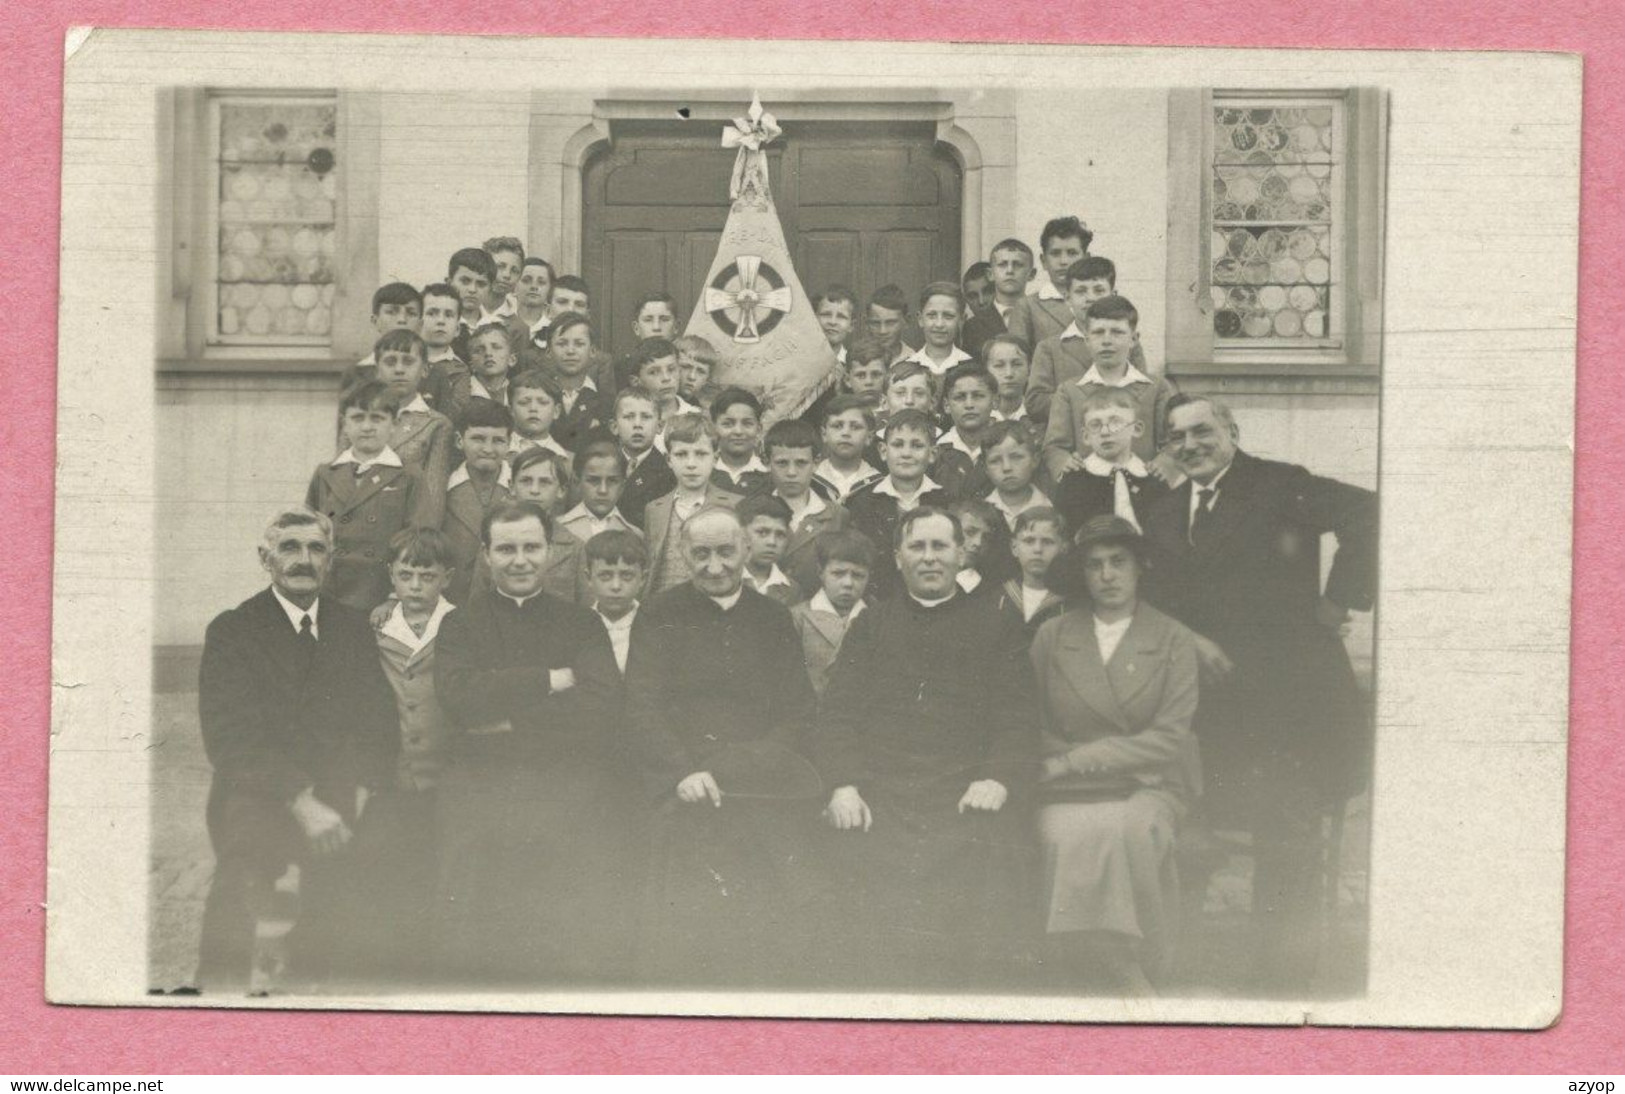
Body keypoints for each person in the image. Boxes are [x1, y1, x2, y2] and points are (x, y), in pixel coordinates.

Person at [1139, 395, 1376, 992]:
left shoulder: (1278, 486)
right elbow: (1157, 600)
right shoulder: (1165, 512)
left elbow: (1369, 514)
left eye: (1202, 431)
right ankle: (1182, 971)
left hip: (1291, 708)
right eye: (1176, 437)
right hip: (1212, 713)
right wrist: (1189, 638)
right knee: (1183, 826)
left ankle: (1281, 985)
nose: (1189, 445)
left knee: (1286, 833)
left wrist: (1337, 601)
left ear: (1232, 431)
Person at [815, 507, 1039, 988]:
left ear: (962, 554)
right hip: (884, 789)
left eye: (941, 547)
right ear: (898, 558)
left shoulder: (998, 622)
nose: (930, 558)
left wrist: (997, 777)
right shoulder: (873, 624)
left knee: (996, 850)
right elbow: (839, 714)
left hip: (965, 786)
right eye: (917, 547)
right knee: (849, 850)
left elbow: (1019, 716)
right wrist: (844, 785)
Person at [196, 507, 398, 992]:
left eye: (315, 548)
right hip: (261, 790)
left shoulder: (351, 628)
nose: (303, 559)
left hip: (338, 787)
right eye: (289, 548)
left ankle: (316, 995)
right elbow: (231, 739)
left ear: (330, 560)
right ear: (265, 559)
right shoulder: (233, 629)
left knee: (362, 887)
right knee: (239, 876)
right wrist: (300, 801)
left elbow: (376, 719)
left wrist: (364, 787)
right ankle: (212, 1001)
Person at [432, 500, 634, 983]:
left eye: (530, 547)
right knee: (472, 901)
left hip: (563, 780)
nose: (519, 560)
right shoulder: (460, 623)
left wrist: (508, 723)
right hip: (483, 783)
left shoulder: (581, 623)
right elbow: (460, 699)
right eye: (506, 549)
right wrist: (549, 678)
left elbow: (600, 707)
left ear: (549, 552)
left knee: (566, 901)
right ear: (485, 554)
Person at [624, 506, 821, 986]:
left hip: (761, 785)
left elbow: (798, 710)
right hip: (686, 785)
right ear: (684, 556)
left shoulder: (773, 618)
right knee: (682, 929)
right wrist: (681, 773)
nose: (715, 566)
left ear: (747, 551)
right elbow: (642, 706)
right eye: (701, 554)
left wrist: (754, 762)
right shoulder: (659, 613)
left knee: (788, 913)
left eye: (726, 552)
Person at [1029, 514, 1202, 994]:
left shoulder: (1172, 638)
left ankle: (1141, 961)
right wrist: (1064, 763)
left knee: (1131, 830)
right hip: (1067, 786)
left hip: (1153, 782)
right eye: (1095, 565)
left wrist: (1080, 757)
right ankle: (1099, 961)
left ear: (1139, 568)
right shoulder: (1052, 636)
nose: (1107, 575)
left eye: (1118, 562)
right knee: (1062, 833)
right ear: (1081, 575)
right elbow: (1032, 722)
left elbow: (1170, 735)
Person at [363, 526, 460, 976]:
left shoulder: (461, 623)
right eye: (406, 576)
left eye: (427, 576)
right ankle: (395, 960)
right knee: (394, 865)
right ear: (392, 576)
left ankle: (439, 962)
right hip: (397, 774)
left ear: (447, 578)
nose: (416, 587)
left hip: (448, 773)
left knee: (444, 866)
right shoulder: (377, 625)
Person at [306, 381, 433, 613]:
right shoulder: (326, 473)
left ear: (394, 424)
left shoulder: (408, 475)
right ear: (344, 424)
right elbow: (309, 534)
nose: (367, 427)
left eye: (377, 418)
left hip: (378, 594)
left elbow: (417, 541)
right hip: (329, 589)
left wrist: (394, 598)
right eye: (358, 418)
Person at [1039, 294, 1176, 480]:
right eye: (1098, 332)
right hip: (1089, 487)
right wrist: (1064, 462)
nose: (1106, 340)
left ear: (1134, 339)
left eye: (1117, 332)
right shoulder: (1069, 391)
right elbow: (1055, 446)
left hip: (1145, 487)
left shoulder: (1157, 388)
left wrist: (1165, 463)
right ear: (1087, 340)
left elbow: (1173, 441)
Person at [1027, 261, 1156, 428]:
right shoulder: (1049, 348)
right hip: (1069, 433)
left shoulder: (1128, 344)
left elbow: (1141, 393)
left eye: (1099, 290)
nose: (1090, 298)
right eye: (1081, 291)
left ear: (1113, 294)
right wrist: (1088, 402)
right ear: (1068, 298)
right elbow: (1035, 403)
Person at [845, 408, 953, 600]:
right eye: (898, 444)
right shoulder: (862, 502)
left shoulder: (946, 501)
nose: (906, 453)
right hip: (877, 601)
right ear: (883, 451)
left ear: (932, 453)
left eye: (917, 445)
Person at [642, 414, 741, 596]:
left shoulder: (735, 506)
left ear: (716, 458)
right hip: (665, 610)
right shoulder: (654, 509)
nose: (691, 464)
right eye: (681, 454)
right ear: (668, 460)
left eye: (701, 454)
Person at [1050, 388, 1172, 534]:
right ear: (1086, 436)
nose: (1105, 432)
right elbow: (1064, 533)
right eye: (1095, 425)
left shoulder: (1151, 478)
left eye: (1115, 423)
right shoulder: (1074, 480)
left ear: (1137, 429)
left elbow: (1165, 531)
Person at [371, 329, 454, 527]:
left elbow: (432, 497)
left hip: (404, 533)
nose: (399, 369)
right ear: (377, 370)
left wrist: (419, 545)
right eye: (390, 362)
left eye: (408, 362)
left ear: (424, 370)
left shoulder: (436, 425)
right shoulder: (360, 419)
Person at [761, 418, 852, 592]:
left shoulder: (837, 516)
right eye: (782, 463)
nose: (791, 472)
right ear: (767, 462)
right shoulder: (753, 513)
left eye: (801, 463)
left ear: (816, 463)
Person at [439, 401, 513, 605]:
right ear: (459, 440)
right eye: (478, 439)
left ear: (509, 443)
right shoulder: (443, 486)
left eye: (498, 440)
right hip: (453, 600)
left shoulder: (519, 486)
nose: (488, 449)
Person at [787, 528, 874, 697]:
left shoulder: (876, 619)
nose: (848, 583)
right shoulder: (797, 618)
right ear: (821, 572)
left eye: (858, 575)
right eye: (838, 573)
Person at [1007, 215, 1092, 352]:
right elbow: (1017, 360)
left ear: (1086, 258)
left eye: (1072, 253)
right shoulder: (1027, 307)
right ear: (1043, 261)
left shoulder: (1101, 301)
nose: (1063, 261)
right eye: (1055, 253)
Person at [995, 506, 1069, 639]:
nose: (1038, 549)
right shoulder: (997, 599)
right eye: (1029, 541)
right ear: (1014, 547)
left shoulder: (1072, 604)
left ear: (1063, 548)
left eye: (1047, 541)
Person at [541, 312, 610, 452]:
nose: (570, 351)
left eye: (579, 344)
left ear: (592, 351)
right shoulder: (539, 396)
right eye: (562, 343)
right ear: (548, 352)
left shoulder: (604, 402)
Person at [583, 528, 648, 675]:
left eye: (627, 576)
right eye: (605, 576)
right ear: (588, 578)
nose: (616, 586)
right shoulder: (577, 626)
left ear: (642, 579)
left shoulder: (655, 626)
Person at [609, 387, 674, 529]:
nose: (637, 424)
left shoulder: (667, 473)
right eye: (629, 417)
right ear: (614, 426)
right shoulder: (603, 464)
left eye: (646, 417)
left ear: (659, 426)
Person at [961, 240, 1036, 358]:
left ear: (1032, 274)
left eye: (1017, 265)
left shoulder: (1043, 316)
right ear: (990, 274)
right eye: (1002, 265)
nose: (1010, 271)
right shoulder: (973, 327)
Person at [934, 363, 997, 501]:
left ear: (994, 401)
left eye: (978, 396)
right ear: (946, 405)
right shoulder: (935, 453)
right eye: (960, 397)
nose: (969, 405)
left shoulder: (1007, 445)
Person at [557, 440, 642, 541]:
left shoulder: (635, 535)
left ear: (622, 486)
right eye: (593, 480)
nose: (603, 490)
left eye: (612, 481)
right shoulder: (558, 527)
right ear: (577, 482)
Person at [813, 394, 883, 503]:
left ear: (869, 437)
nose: (846, 433)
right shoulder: (810, 481)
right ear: (824, 434)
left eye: (856, 427)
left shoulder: (879, 485)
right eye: (837, 426)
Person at [984, 419, 1051, 530]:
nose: (1007, 468)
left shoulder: (1048, 508)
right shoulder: (982, 514)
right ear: (986, 469)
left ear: (1035, 460)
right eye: (995, 460)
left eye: (1016, 457)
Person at [737, 492, 802, 606]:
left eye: (780, 534)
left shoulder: (792, 590)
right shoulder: (723, 578)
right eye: (762, 532)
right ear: (741, 532)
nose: (772, 542)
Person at [902, 282, 974, 376]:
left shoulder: (971, 368)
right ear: (920, 319)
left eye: (948, 316)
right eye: (932, 315)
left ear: (961, 320)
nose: (939, 324)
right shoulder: (907, 368)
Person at [708, 387, 770, 494]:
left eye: (747, 423)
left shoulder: (770, 476)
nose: (738, 431)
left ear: (759, 430)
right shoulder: (701, 472)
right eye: (728, 424)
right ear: (713, 428)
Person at [614, 293, 681, 390]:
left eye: (664, 319)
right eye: (648, 320)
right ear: (636, 328)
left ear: (676, 326)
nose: (656, 327)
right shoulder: (621, 370)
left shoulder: (685, 365)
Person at [418, 283, 469, 403]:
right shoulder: (404, 360)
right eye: (432, 313)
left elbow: (456, 411)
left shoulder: (460, 371)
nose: (441, 321)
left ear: (457, 329)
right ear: (418, 323)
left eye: (448, 315)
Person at [507, 368, 571, 459]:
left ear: (556, 411)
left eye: (543, 402)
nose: (533, 408)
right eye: (524, 402)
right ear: (511, 410)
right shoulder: (498, 453)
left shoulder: (566, 459)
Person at [983, 333, 1033, 422]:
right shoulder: (979, 417)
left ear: (1029, 369)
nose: (1009, 374)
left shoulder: (1040, 416)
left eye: (1017, 364)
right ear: (986, 371)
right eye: (999, 365)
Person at [864, 284, 915, 366]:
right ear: (866, 323)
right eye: (876, 323)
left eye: (890, 323)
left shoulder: (915, 362)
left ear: (906, 321)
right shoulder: (855, 360)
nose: (882, 331)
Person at [674, 334, 720, 412]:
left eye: (701, 371)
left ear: (707, 379)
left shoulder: (699, 413)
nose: (692, 377)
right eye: (685, 367)